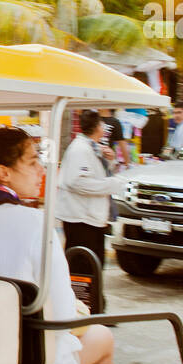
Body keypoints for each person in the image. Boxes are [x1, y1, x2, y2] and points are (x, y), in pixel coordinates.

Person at [0, 127, 114, 364]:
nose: (41, 170)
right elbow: (63, 316)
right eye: (32, 162)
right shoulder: (35, 223)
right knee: (102, 335)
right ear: (3, 172)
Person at [56, 110, 120, 267]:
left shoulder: (93, 147)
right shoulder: (80, 149)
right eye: (102, 123)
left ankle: (92, 292)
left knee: (94, 266)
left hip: (91, 218)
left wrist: (110, 161)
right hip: (81, 218)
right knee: (83, 267)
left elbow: (98, 173)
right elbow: (77, 182)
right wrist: (111, 185)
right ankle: (80, 293)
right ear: (98, 126)